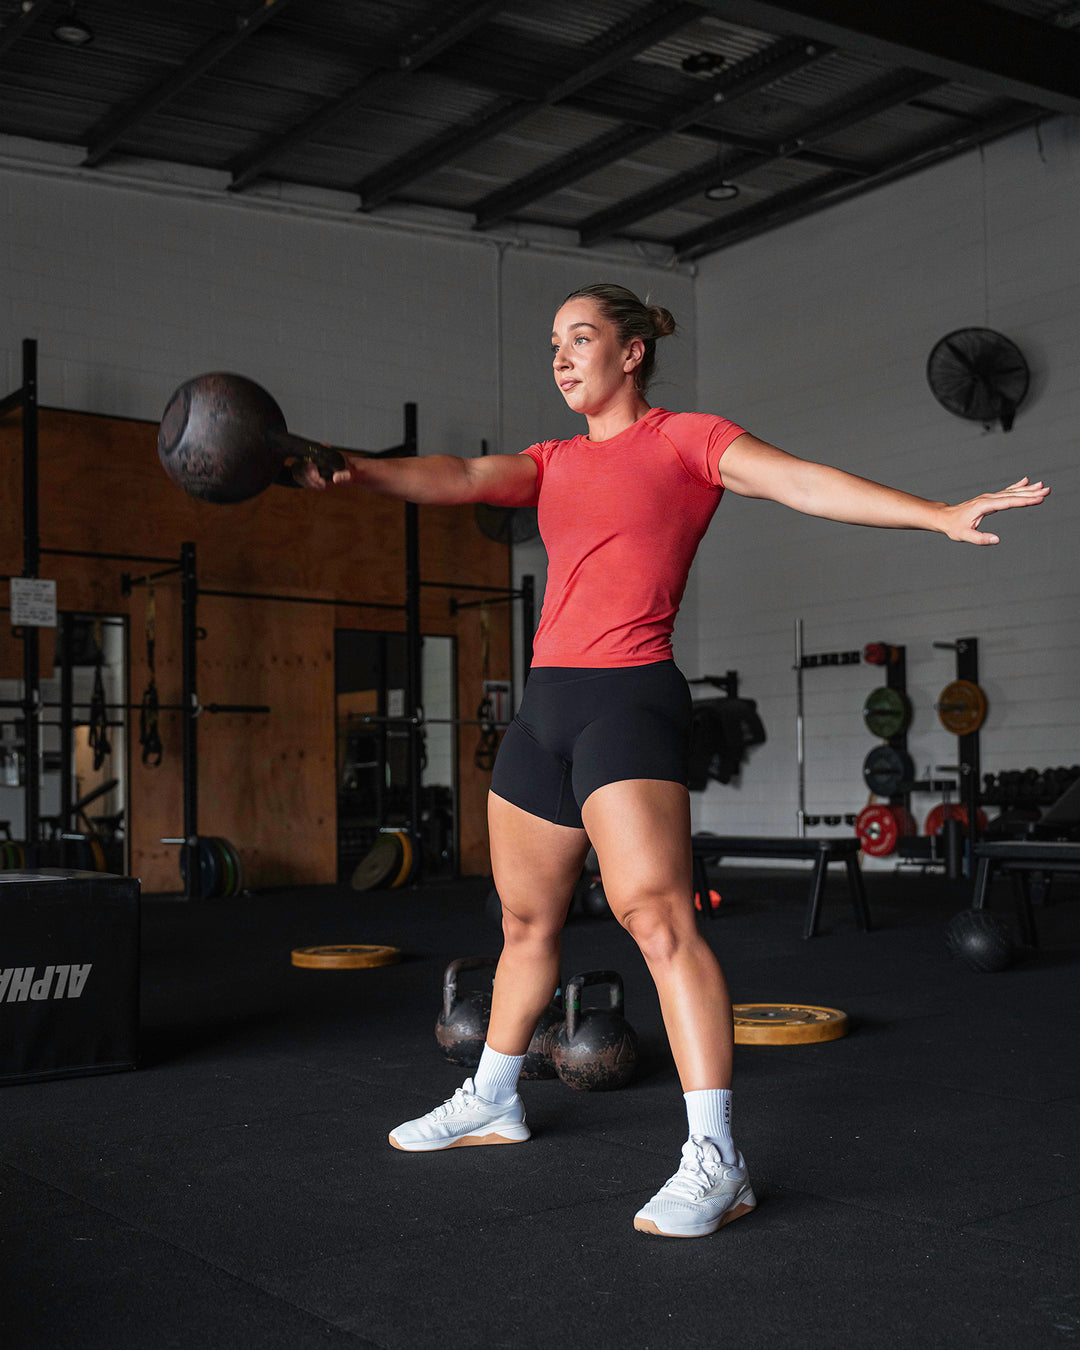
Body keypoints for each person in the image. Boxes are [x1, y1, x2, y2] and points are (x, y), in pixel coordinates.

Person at [295, 282, 1048, 1239]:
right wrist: (352, 468)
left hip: (627, 699)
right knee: (525, 919)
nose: (562, 357)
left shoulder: (688, 441)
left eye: (581, 338)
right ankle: (493, 1096)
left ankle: (718, 1159)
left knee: (657, 919)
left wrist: (936, 513)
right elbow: (457, 476)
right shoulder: (551, 460)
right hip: (546, 707)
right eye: (553, 343)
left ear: (632, 351)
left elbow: (803, 481)